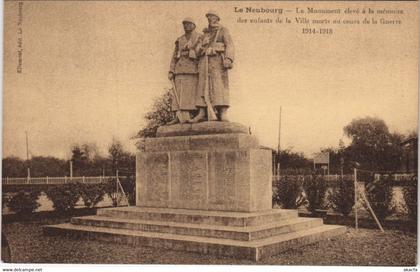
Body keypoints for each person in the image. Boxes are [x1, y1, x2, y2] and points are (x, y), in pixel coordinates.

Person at [189, 10, 234, 123]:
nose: (209, 19)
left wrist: (228, 58)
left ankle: (222, 112)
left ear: (217, 18)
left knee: (219, 86)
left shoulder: (223, 30)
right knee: (202, 86)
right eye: (208, 17)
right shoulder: (204, 34)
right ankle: (202, 113)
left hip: (217, 62)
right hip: (204, 62)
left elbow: (230, 45)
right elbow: (196, 50)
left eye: (212, 17)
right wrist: (201, 47)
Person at [168, 17, 201, 124]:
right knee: (178, 93)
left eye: (188, 24)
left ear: (193, 25)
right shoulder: (180, 39)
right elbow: (174, 56)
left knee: (191, 93)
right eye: (184, 24)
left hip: (193, 69)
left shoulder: (199, 37)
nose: (186, 26)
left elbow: (201, 53)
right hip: (179, 69)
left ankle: (190, 115)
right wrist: (171, 70)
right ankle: (178, 116)